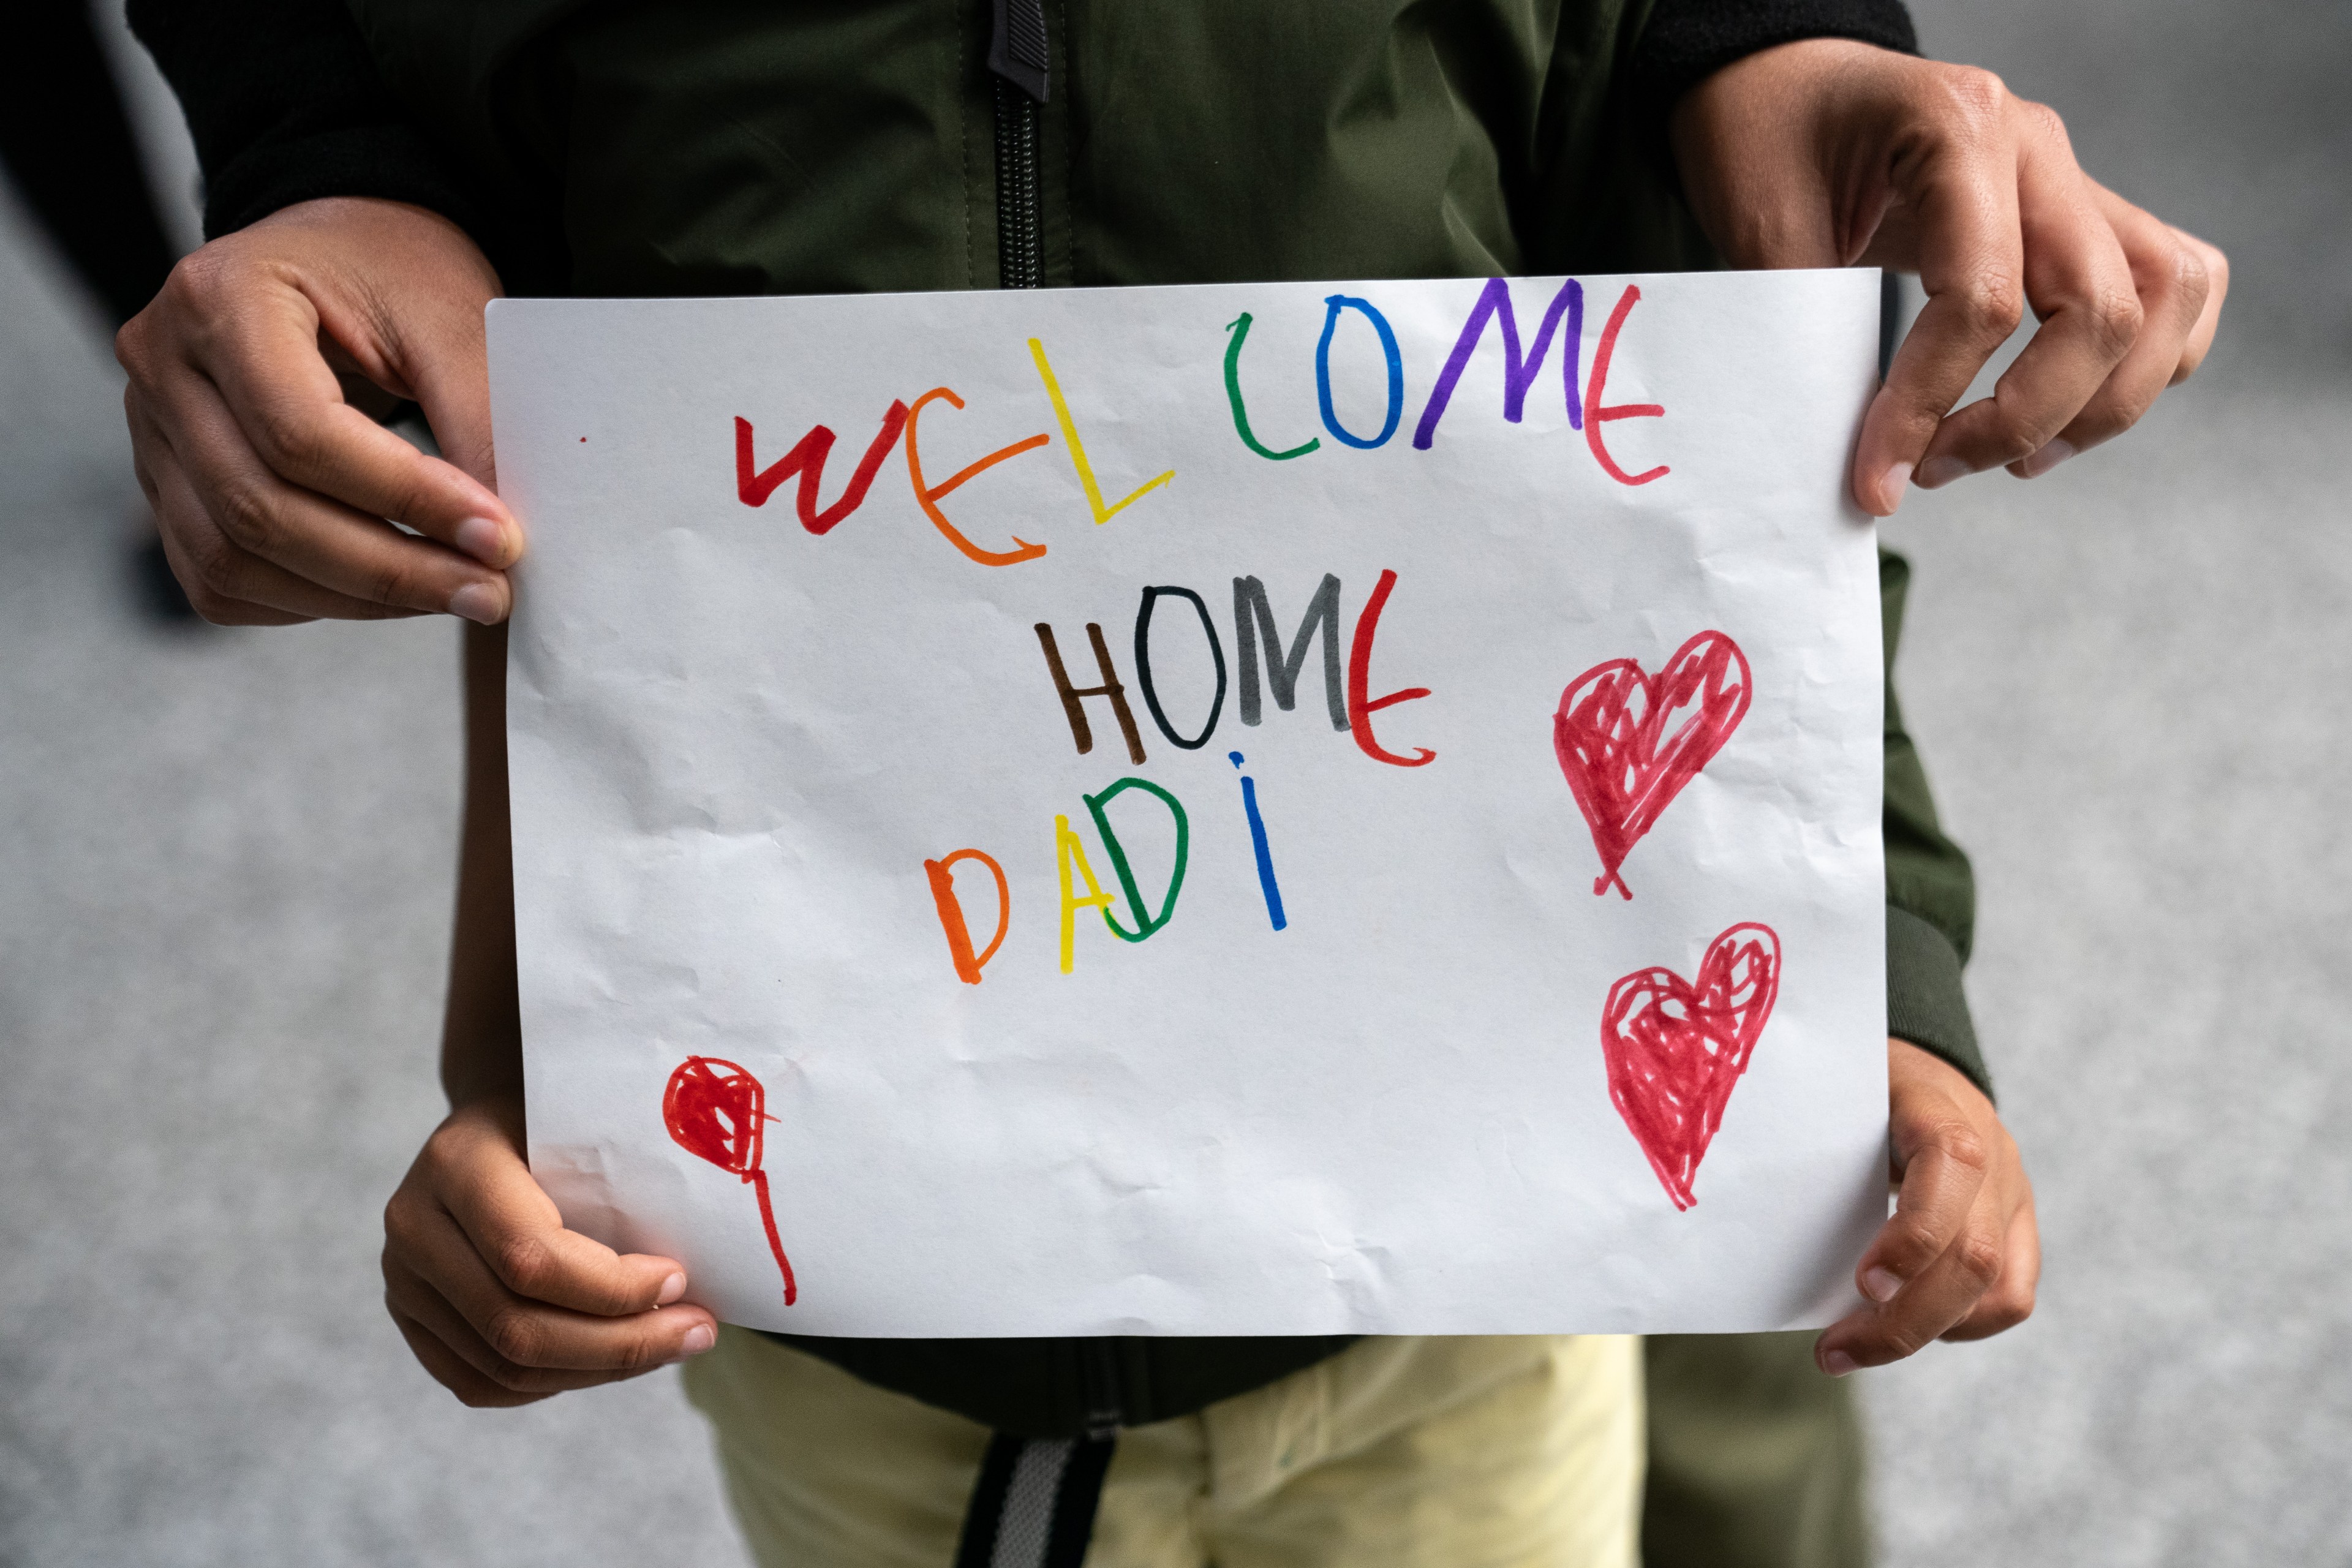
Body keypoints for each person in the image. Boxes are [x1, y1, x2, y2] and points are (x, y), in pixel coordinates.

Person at [117, 2, 2225, 1564]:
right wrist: (323, 162)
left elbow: (1725, 529)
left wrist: (1895, 992)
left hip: (1473, 1311)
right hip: (859, 1329)